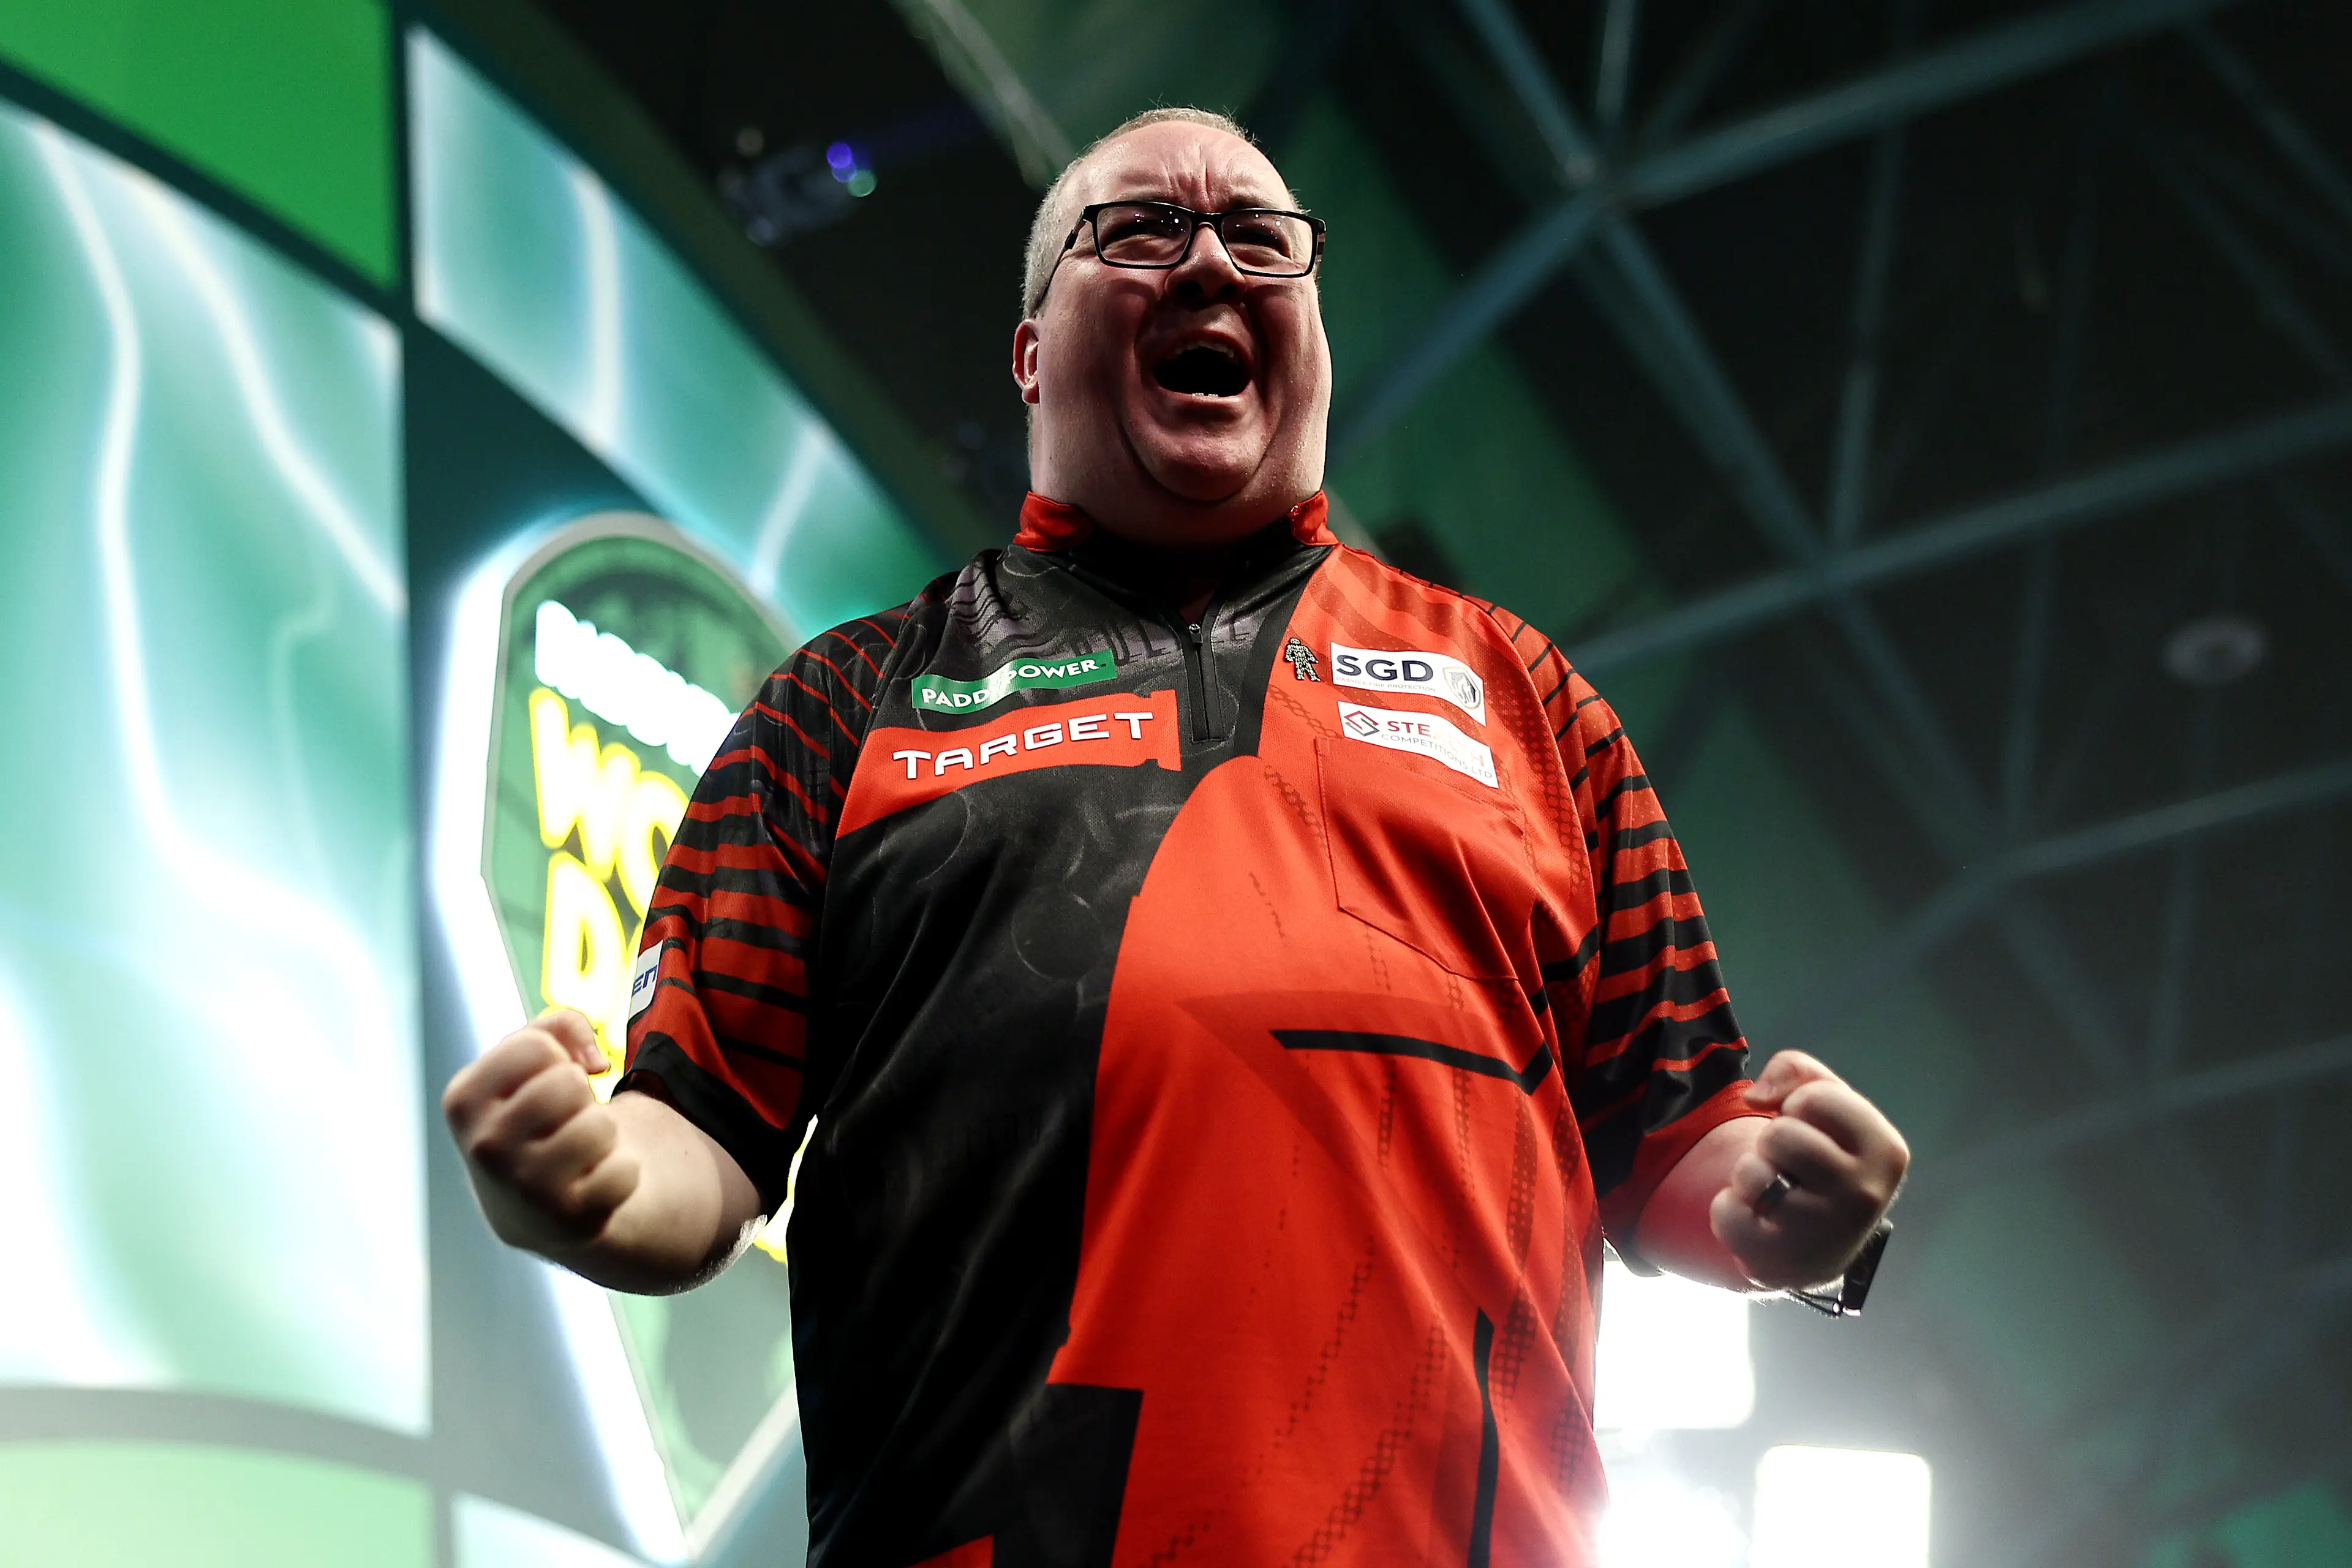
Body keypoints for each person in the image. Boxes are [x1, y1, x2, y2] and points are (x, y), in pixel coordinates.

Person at [443, 106, 1910, 1567]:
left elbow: (1682, 1141)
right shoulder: (840, 708)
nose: (1210, 262)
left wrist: (1790, 1206)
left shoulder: (1527, 699)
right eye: (1141, 229)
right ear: (1030, 353)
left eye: (1262, 240)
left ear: (1317, 343)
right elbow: (694, 1137)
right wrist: (585, 1178)